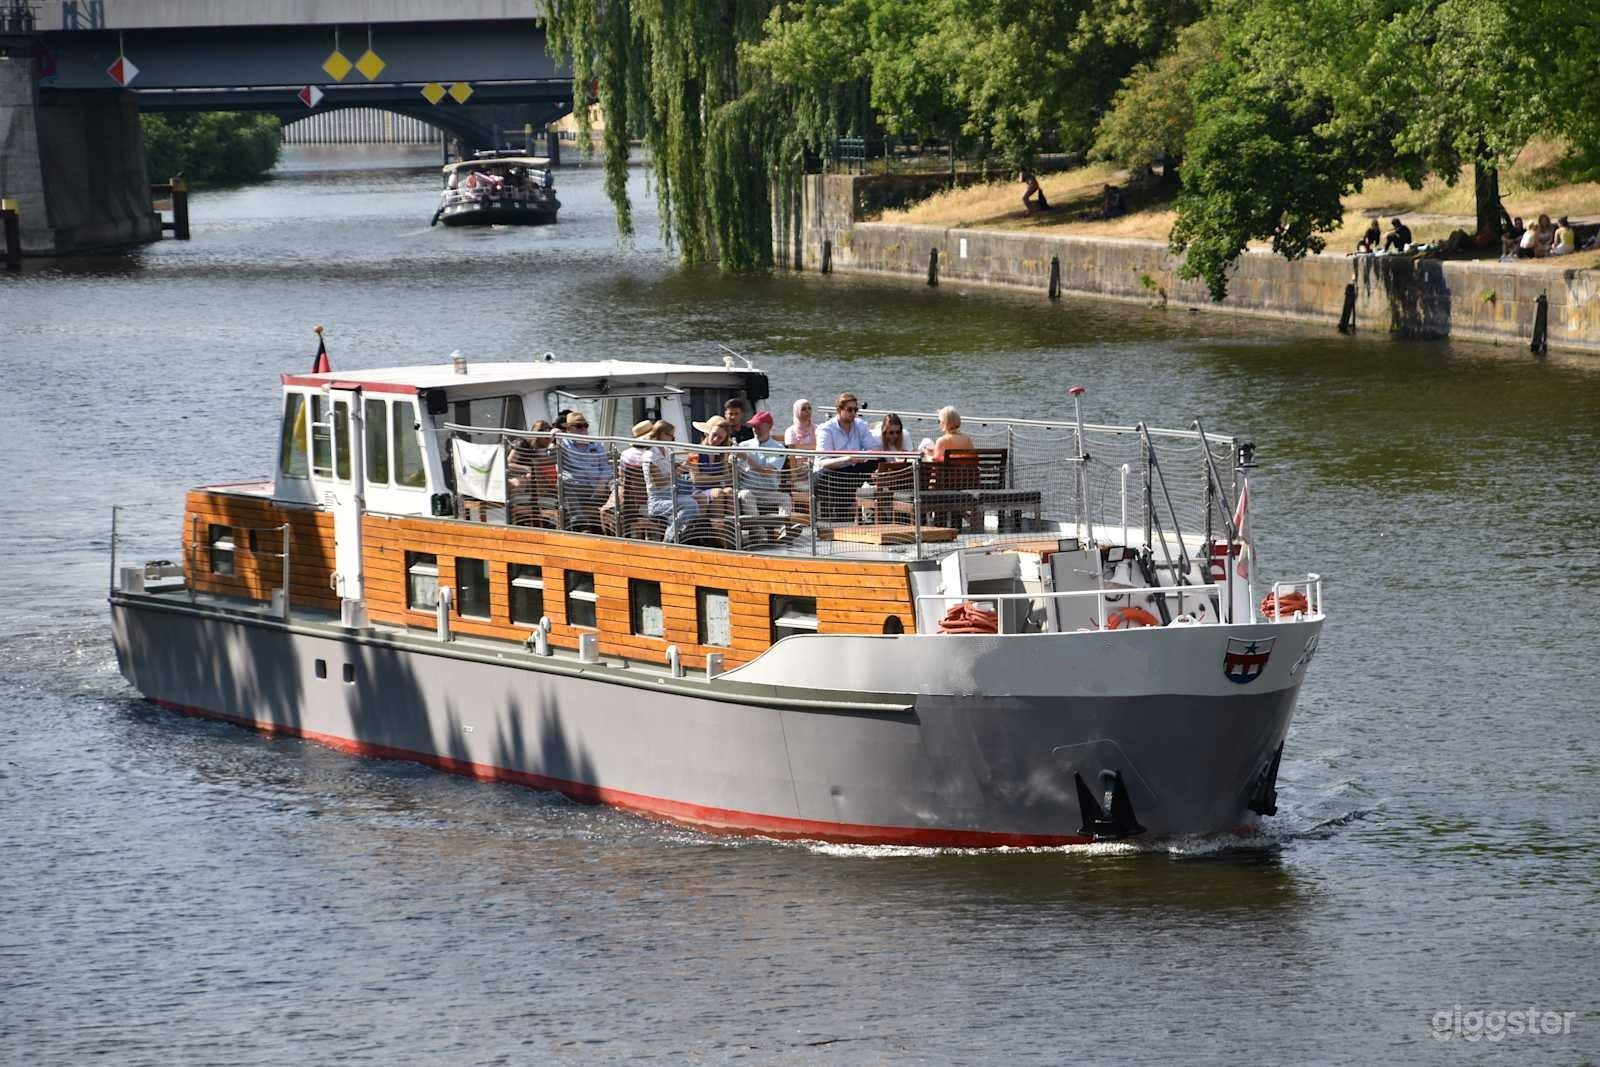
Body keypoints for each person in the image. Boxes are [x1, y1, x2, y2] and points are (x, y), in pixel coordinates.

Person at [814, 392, 880, 521]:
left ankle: (873, 512)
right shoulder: (826, 429)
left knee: (877, 463)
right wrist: (847, 458)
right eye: (849, 409)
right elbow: (822, 462)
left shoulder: (860, 425)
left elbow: (874, 449)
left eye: (856, 410)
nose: (853, 413)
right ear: (839, 410)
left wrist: (862, 456)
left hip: (851, 470)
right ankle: (848, 512)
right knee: (831, 475)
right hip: (830, 471)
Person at [641, 421, 698, 542]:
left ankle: (681, 535)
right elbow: (660, 483)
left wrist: (684, 464)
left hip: (672, 494)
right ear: (661, 434)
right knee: (691, 505)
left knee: (696, 500)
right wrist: (679, 470)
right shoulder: (650, 456)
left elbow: (671, 469)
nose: (672, 439)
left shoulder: (666, 450)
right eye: (671, 435)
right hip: (658, 500)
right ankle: (670, 538)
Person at [736, 410, 791, 518]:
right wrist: (731, 459)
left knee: (785, 498)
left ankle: (783, 526)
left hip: (769, 491)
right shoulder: (743, 445)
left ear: (769, 426)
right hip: (748, 489)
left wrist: (746, 457)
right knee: (745, 494)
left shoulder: (779, 448)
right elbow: (735, 470)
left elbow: (766, 471)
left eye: (759, 425)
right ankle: (759, 526)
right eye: (753, 426)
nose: (755, 429)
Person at [689, 414, 736, 516]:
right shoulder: (694, 452)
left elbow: (728, 479)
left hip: (717, 489)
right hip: (699, 492)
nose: (715, 440)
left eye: (720, 438)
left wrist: (711, 478)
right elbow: (696, 479)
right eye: (714, 435)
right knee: (718, 492)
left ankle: (732, 524)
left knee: (730, 491)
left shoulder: (722, 453)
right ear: (707, 433)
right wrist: (721, 478)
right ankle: (717, 524)